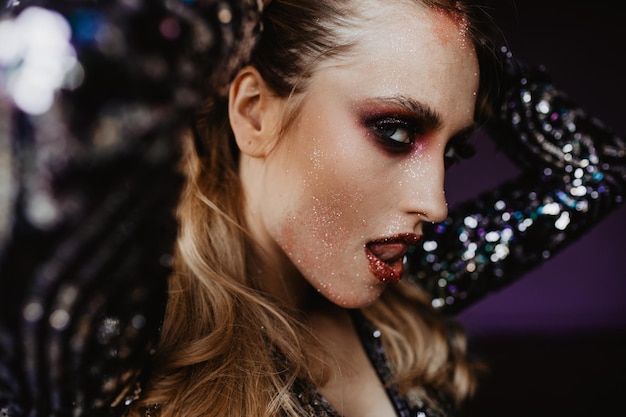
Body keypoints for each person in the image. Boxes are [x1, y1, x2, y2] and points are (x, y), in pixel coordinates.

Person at [0, 1, 623, 417]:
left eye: (453, 151)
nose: (436, 204)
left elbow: (595, 168)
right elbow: (46, 70)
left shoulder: (403, 299)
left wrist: (458, 36)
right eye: (396, 131)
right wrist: (246, 10)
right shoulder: (134, 340)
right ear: (253, 111)